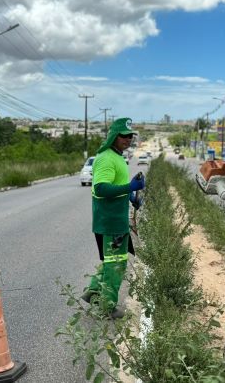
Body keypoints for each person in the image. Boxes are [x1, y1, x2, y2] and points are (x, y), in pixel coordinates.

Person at [81, 117, 144, 319]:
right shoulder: (106, 158)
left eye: (130, 136)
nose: (128, 139)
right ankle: (107, 308)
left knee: (112, 262)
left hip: (117, 220)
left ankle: (93, 292)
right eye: (123, 136)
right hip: (110, 222)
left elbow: (115, 188)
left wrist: (131, 196)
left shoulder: (117, 157)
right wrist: (130, 187)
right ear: (114, 137)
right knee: (116, 265)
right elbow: (100, 189)